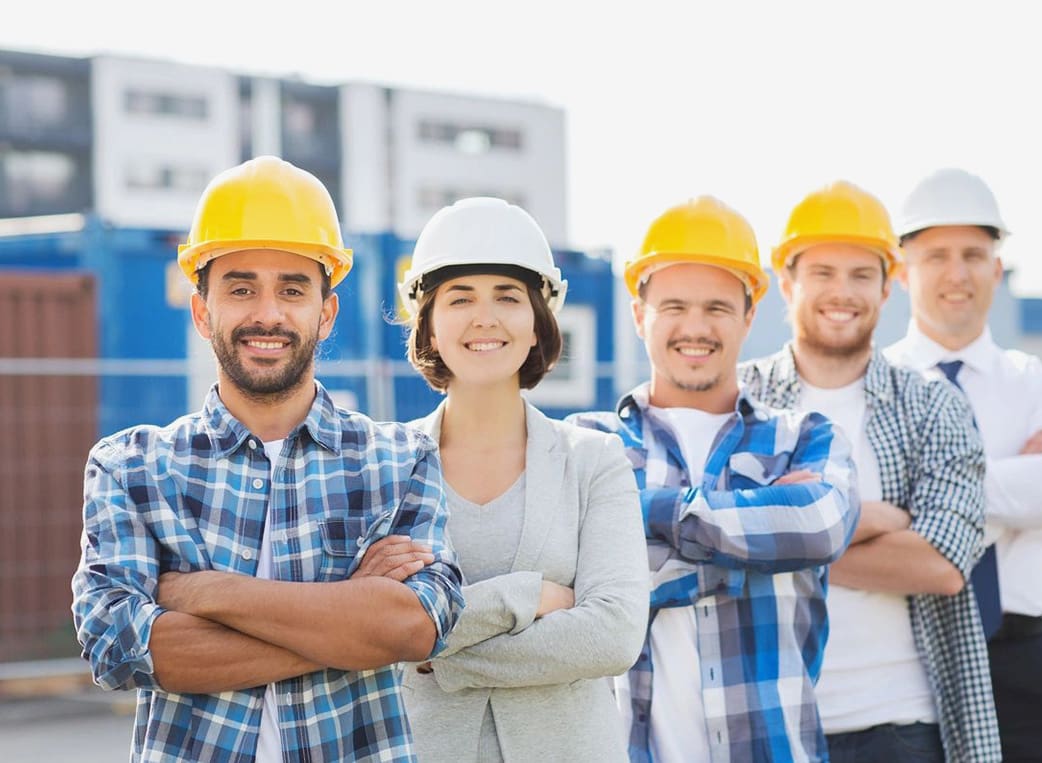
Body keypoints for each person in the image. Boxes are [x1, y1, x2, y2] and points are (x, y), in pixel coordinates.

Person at [70, 156, 464, 762]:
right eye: (241, 287)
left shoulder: (400, 459)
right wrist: (351, 621)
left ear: (325, 313)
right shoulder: (132, 468)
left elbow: (418, 627)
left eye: (292, 289)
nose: (268, 314)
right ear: (203, 311)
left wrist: (206, 593)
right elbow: (120, 648)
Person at [570, 196, 858, 762]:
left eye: (718, 309)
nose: (695, 328)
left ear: (750, 317)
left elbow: (819, 526)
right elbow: (573, 594)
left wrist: (638, 514)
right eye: (674, 305)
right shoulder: (586, 442)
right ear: (638, 314)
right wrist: (750, 544)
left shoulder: (805, 436)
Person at [739, 180, 1001, 762]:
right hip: (767, 721)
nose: (843, 292)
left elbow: (942, 566)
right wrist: (873, 519)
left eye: (862, 275)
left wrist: (780, 537)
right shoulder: (741, 400)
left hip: (900, 724)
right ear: (787, 282)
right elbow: (708, 540)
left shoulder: (934, 405)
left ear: (888, 288)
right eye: (823, 272)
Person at [392, 197, 649, 762]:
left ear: (538, 324)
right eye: (460, 298)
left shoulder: (595, 462)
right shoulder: (385, 467)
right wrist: (527, 596)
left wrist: (438, 653)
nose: (485, 317)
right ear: (430, 327)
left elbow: (613, 633)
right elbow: (371, 627)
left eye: (507, 297)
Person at [886, 168, 1042, 763]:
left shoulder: (1039, 384)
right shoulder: (874, 388)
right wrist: (1015, 479)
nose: (957, 274)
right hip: (903, 656)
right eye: (937, 256)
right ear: (902, 273)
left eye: (974, 255)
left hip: (1021, 664)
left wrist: (921, 504)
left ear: (997, 269)